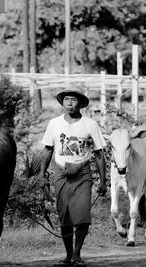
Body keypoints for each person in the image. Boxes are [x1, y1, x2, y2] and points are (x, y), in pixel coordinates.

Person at [38, 87, 107, 267]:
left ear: (80, 104)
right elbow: (47, 150)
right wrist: (41, 175)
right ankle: (68, 255)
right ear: (63, 102)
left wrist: (103, 180)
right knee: (65, 216)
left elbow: (99, 154)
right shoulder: (54, 123)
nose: (69, 103)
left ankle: (77, 254)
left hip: (83, 174)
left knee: (82, 215)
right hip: (60, 174)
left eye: (73, 100)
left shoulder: (90, 124)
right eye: (67, 99)